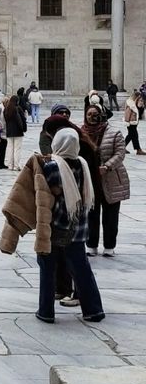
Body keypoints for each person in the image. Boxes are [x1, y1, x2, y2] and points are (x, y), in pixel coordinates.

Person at [36, 128, 104, 324]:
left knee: (47, 266)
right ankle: (94, 310)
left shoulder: (53, 167)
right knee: (81, 268)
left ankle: (46, 311)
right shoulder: (83, 163)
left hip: (56, 225)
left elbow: (45, 189)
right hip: (79, 226)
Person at [82, 103, 131, 257]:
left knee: (110, 216)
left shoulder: (114, 133)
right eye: (89, 114)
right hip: (91, 180)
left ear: (101, 115)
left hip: (111, 180)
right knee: (91, 214)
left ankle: (109, 246)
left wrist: (107, 167)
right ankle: (91, 245)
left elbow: (120, 153)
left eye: (94, 114)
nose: (91, 117)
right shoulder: (81, 133)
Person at [4, 94, 27, 171]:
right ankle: (16, 166)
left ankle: (10, 165)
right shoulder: (17, 108)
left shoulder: (6, 109)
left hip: (9, 131)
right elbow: (21, 120)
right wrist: (23, 128)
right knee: (17, 149)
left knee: (10, 148)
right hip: (17, 131)